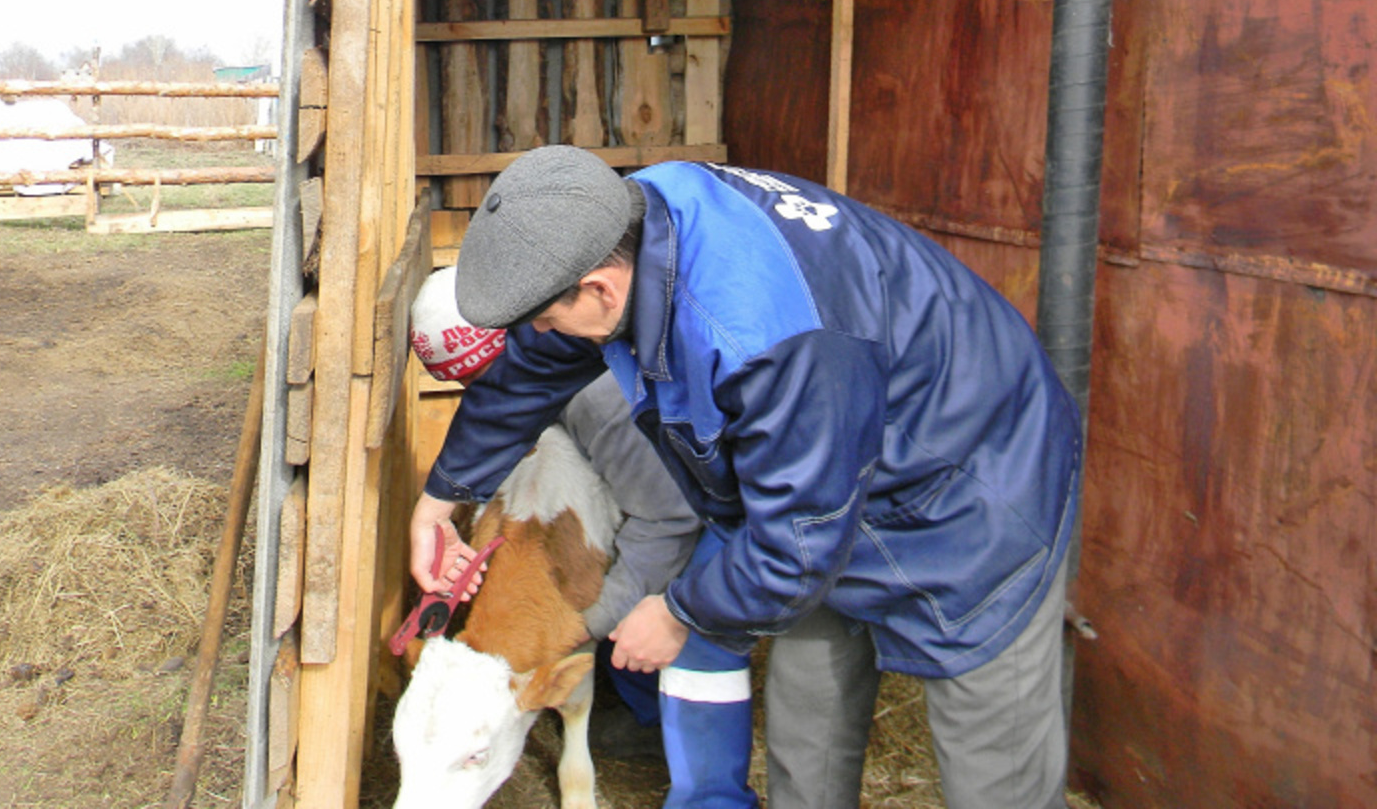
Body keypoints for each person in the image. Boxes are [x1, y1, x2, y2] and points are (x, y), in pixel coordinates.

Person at [410, 146, 1083, 809]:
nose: (552, 331)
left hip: (968, 487)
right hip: (822, 474)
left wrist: (679, 612)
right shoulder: (628, 222)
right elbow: (535, 364)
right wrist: (440, 502)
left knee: (992, 767)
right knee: (806, 718)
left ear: (599, 290)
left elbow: (798, 544)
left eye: (552, 316)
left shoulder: (762, 339)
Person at [409, 267, 759, 796]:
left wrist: (587, 624)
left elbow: (668, 520)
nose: (483, 396)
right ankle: (642, 712)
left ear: (523, 346)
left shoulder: (596, 399)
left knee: (682, 631)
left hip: (723, 505)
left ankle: (696, 774)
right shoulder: (540, 389)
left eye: (483, 379)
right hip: (665, 494)